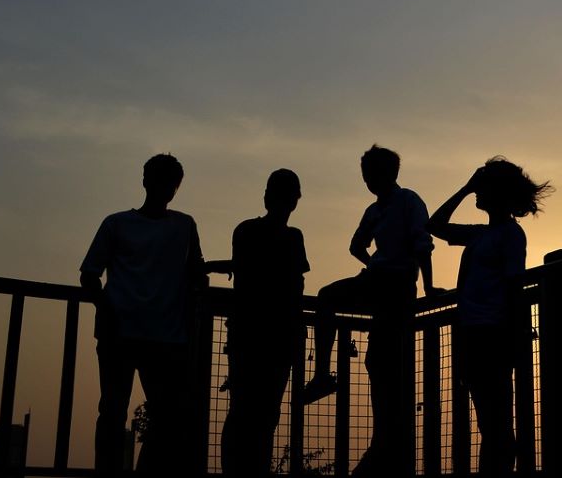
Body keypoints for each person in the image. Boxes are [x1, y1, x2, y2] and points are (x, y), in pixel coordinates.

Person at [302, 144, 439, 475]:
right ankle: (322, 374)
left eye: (371, 174)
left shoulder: (409, 201)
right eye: (365, 175)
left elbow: (422, 243)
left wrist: (428, 286)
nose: (367, 181)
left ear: (389, 173)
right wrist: (374, 264)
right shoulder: (374, 210)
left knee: (381, 359)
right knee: (327, 297)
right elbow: (355, 245)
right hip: (378, 281)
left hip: (397, 286)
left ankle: (385, 445)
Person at [80, 153, 205, 477]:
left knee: (144, 414)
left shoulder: (182, 225)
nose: (167, 187)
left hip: (158, 335)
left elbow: (196, 274)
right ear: (148, 181)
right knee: (123, 411)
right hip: (132, 333)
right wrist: (106, 310)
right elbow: (89, 276)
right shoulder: (119, 223)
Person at [427, 157, 551, 478]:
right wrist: (467, 188)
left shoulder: (510, 234)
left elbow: (514, 285)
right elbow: (435, 225)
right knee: (489, 421)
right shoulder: (481, 234)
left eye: (484, 187)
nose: (479, 192)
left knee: (495, 422)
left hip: (492, 334)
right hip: (473, 334)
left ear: (499, 192)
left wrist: (516, 334)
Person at [210, 168, 310, 478]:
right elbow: (295, 285)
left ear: (267, 196)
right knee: (262, 412)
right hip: (273, 334)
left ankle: (241, 470)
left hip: (253, 332)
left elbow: (248, 271)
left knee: (247, 410)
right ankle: (254, 470)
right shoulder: (291, 237)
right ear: (295, 201)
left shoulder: (246, 231)